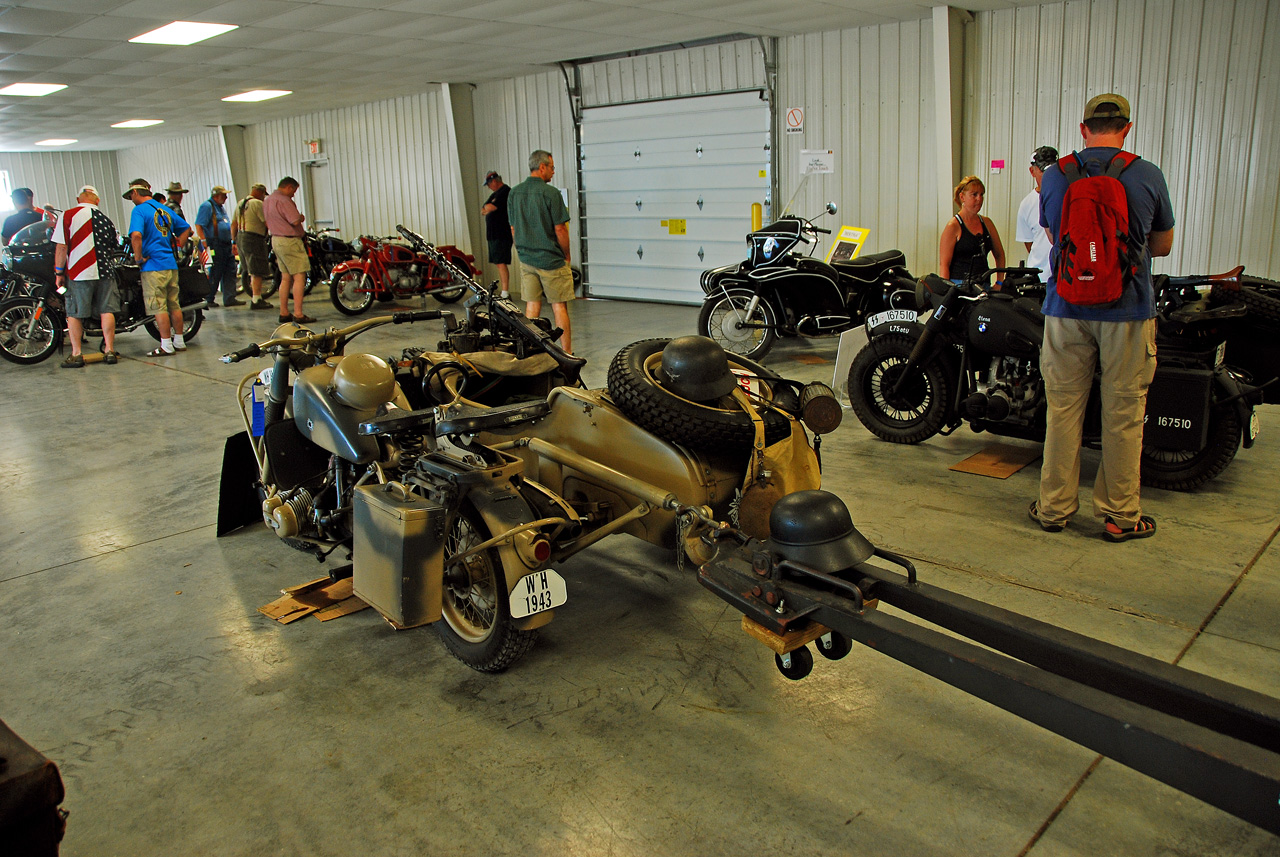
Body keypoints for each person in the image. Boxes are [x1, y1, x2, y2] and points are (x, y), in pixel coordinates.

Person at [1029, 93, 1175, 541]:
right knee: (1123, 413)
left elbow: (1055, 237)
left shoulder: (1056, 176)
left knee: (1064, 410)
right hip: (1128, 311)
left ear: (1083, 129)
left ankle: (1053, 509)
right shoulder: (1147, 174)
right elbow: (1163, 246)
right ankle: (1119, 516)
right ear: (1126, 128)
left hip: (1065, 309)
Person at [508, 150, 573, 353]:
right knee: (559, 306)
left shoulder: (514, 193)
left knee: (531, 306)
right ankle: (566, 352)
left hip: (527, 259)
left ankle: (532, 350)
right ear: (542, 167)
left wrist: (521, 249)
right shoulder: (551, 194)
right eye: (552, 167)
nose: (553, 172)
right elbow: (560, 229)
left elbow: (513, 229)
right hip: (551, 260)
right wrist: (567, 254)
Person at [52, 185, 121, 367]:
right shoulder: (106, 220)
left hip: (78, 272)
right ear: (97, 200)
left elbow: (61, 247)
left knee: (75, 312)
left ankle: (76, 354)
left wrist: (59, 272)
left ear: (78, 200)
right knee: (107, 310)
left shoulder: (67, 216)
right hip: (106, 271)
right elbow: (114, 246)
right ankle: (109, 350)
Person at [124, 178, 193, 357]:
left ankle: (166, 345)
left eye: (131, 194)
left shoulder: (139, 211)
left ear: (136, 192)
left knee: (158, 307)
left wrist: (138, 258)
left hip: (152, 266)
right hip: (170, 265)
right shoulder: (164, 208)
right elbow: (186, 228)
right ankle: (179, 340)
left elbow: (136, 236)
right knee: (174, 305)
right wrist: (178, 247)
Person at [939, 175, 1006, 288]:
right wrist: (947, 291)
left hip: (983, 284)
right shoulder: (953, 226)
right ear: (962, 197)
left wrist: (999, 282)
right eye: (974, 195)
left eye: (981, 195)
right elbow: (944, 264)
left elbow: (999, 254)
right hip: (960, 285)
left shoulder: (987, 223)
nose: (979, 199)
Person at [263, 176, 314, 323]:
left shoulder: (268, 200)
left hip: (276, 239)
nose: (293, 194)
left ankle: (284, 312)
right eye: (294, 191)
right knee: (299, 276)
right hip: (290, 241)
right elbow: (295, 220)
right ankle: (298, 314)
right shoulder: (284, 201)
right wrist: (301, 217)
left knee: (285, 278)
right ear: (289, 187)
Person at [1016, 146, 1059, 284]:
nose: (1048, 175)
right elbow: (1028, 242)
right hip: (1039, 277)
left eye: (1052, 169)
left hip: (1064, 276)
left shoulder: (1067, 195)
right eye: (1043, 170)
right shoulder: (1026, 204)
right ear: (1032, 171)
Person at [194, 185, 241, 308]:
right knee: (216, 272)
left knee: (230, 270)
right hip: (216, 245)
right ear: (216, 196)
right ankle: (209, 298)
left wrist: (232, 242)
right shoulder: (207, 206)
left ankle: (230, 298)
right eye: (224, 195)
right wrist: (204, 242)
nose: (226, 197)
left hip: (225, 244)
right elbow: (199, 225)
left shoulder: (220, 208)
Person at [232, 183, 271, 310]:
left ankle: (256, 297)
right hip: (254, 238)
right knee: (256, 270)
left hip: (241, 237)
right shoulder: (257, 204)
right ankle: (256, 299)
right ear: (261, 193)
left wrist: (234, 241)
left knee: (249, 268)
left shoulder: (240, 203)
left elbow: (234, 224)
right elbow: (267, 222)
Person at [480, 171, 512, 298]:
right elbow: (484, 209)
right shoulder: (495, 194)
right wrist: (487, 207)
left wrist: (489, 207)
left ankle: (505, 291)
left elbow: (491, 208)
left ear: (494, 181)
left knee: (501, 262)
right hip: (493, 234)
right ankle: (504, 291)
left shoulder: (505, 192)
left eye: (488, 184)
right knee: (498, 262)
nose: (488, 187)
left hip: (501, 233)